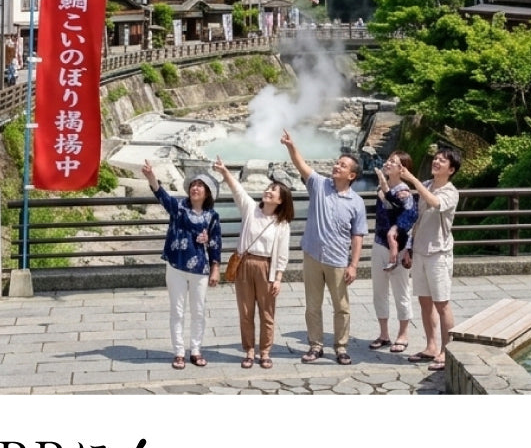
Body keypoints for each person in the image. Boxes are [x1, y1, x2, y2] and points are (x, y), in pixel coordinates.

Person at [280, 129, 367, 366]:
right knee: (313, 305)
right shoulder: (319, 185)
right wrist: (291, 145)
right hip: (313, 255)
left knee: (342, 307)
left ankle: (341, 347)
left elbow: (358, 235)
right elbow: (301, 165)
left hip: (339, 259)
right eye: (337, 163)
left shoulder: (357, 203)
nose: (336, 166)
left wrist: (354, 265)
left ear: (352, 175)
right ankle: (315, 345)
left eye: (342, 165)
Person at [212, 157, 293, 370]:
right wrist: (224, 171)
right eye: (269, 188)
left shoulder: (282, 224)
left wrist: (278, 278)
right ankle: (249, 350)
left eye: (274, 190)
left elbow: (282, 254)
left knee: (267, 313)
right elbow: (237, 189)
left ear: (281, 200)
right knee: (245, 311)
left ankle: (265, 351)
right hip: (245, 264)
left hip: (267, 267)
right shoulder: (250, 209)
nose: (269, 191)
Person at [141, 159, 221, 369]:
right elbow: (162, 196)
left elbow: (215, 244)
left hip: (200, 269)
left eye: (200, 186)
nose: (196, 188)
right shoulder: (178, 208)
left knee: (199, 311)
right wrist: (151, 176)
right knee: (177, 311)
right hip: (176, 266)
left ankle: (195, 350)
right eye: (194, 185)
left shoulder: (212, 216)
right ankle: (178, 351)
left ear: (208, 193)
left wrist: (215, 269)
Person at [400, 144, 461, 372]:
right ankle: (431, 346)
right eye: (435, 158)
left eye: (442, 161)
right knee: (425, 303)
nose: (436, 162)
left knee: (442, 304)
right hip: (420, 251)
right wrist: (408, 247)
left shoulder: (451, 191)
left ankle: (447, 351)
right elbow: (416, 219)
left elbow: (436, 204)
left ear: (451, 169)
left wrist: (413, 181)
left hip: (439, 253)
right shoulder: (426, 185)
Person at [369, 152, 418, 353]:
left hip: (399, 248)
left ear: (403, 169)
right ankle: (383, 333)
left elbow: (410, 216)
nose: (388, 164)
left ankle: (403, 334)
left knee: (401, 292)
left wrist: (408, 249)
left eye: (394, 162)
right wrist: (382, 185)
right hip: (379, 243)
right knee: (379, 292)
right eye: (388, 160)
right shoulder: (382, 188)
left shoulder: (404, 192)